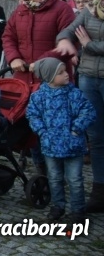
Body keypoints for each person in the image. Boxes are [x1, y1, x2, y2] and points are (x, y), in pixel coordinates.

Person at [56, 0, 104, 213]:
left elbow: (90, 44)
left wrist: (88, 45)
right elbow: (67, 31)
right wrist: (66, 41)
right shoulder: (90, 10)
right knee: (95, 138)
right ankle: (99, 191)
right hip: (88, 80)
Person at [28, 58, 96, 222]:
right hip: (50, 145)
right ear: (49, 76)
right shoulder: (39, 97)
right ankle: (58, 206)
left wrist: (76, 129)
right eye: (61, 72)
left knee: (75, 180)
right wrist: (42, 132)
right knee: (55, 178)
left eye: (66, 71)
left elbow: (88, 112)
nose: (66, 74)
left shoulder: (74, 94)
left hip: (73, 146)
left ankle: (78, 211)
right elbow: (32, 115)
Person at [2, 0, 75, 86]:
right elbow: (8, 36)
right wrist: (13, 57)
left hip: (52, 82)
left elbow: (70, 44)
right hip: (23, 81)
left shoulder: (63, 10)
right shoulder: (20, 10)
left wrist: (41, 64)